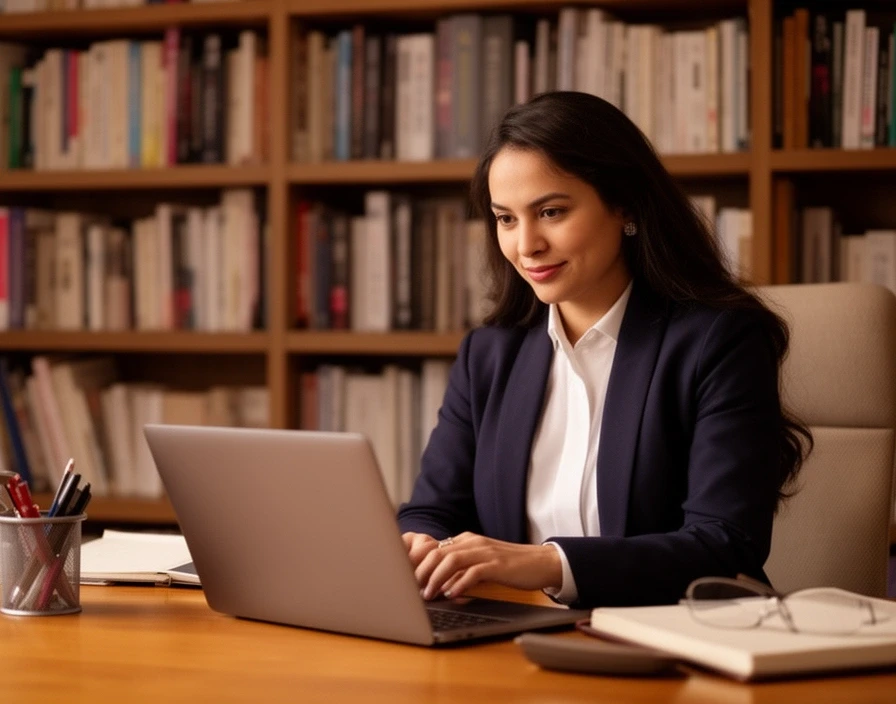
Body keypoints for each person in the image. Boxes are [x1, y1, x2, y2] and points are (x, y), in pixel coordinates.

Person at [397, 91, 812, 610]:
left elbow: (724, 543)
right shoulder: (489, 353)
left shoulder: (719, 341)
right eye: (506, 219)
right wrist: (421, 543)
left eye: (551, 211)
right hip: (515, 635)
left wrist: (547, 563)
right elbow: (433, 509)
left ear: (625, 206)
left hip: (670, 642)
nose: (526, 245)